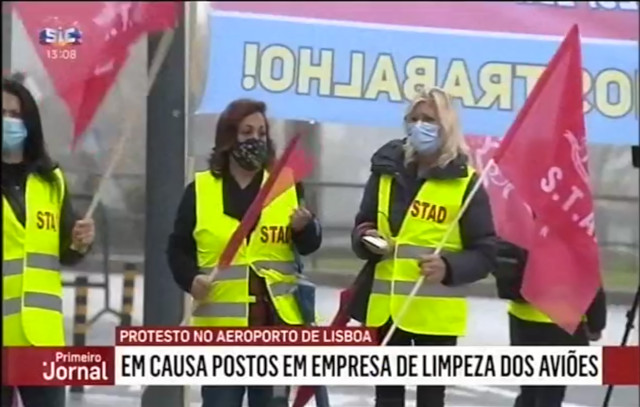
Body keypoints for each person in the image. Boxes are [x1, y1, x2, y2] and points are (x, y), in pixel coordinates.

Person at [166, 98, 322, 407]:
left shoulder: (286, 186)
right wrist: (191, 279)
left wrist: (306, 228)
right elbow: (178, 247)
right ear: (229, 137)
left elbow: (308, 246)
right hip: (221, 333)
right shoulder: (199, 190)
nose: (255, 139)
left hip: (275, 326)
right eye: (246, 131)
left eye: (262, 133)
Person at [350, 87, 497, 407]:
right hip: (385, 310)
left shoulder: (465, 183)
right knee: (386, 398)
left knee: (431, 399)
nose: (419, 126)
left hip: (434, 313)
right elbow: (362, 225)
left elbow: (486, 252)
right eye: (413, 119)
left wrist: (449, 267)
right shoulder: (386, 172)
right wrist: (369, 240)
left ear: (446, 126)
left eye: (428, 119)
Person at [2, 76, 95, 407]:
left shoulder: (50, 179)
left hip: (41, 335)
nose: (8, 122)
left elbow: (65, 252)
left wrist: (80, 241)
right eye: (2, 113)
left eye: (15, 114)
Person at [496, 240, 607, 407]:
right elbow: (590, 276)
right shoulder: (573, 226)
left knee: (529, 391)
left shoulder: (521, 220)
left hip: (523, 319)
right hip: (563, 321)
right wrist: (596, 322)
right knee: (550, 394)